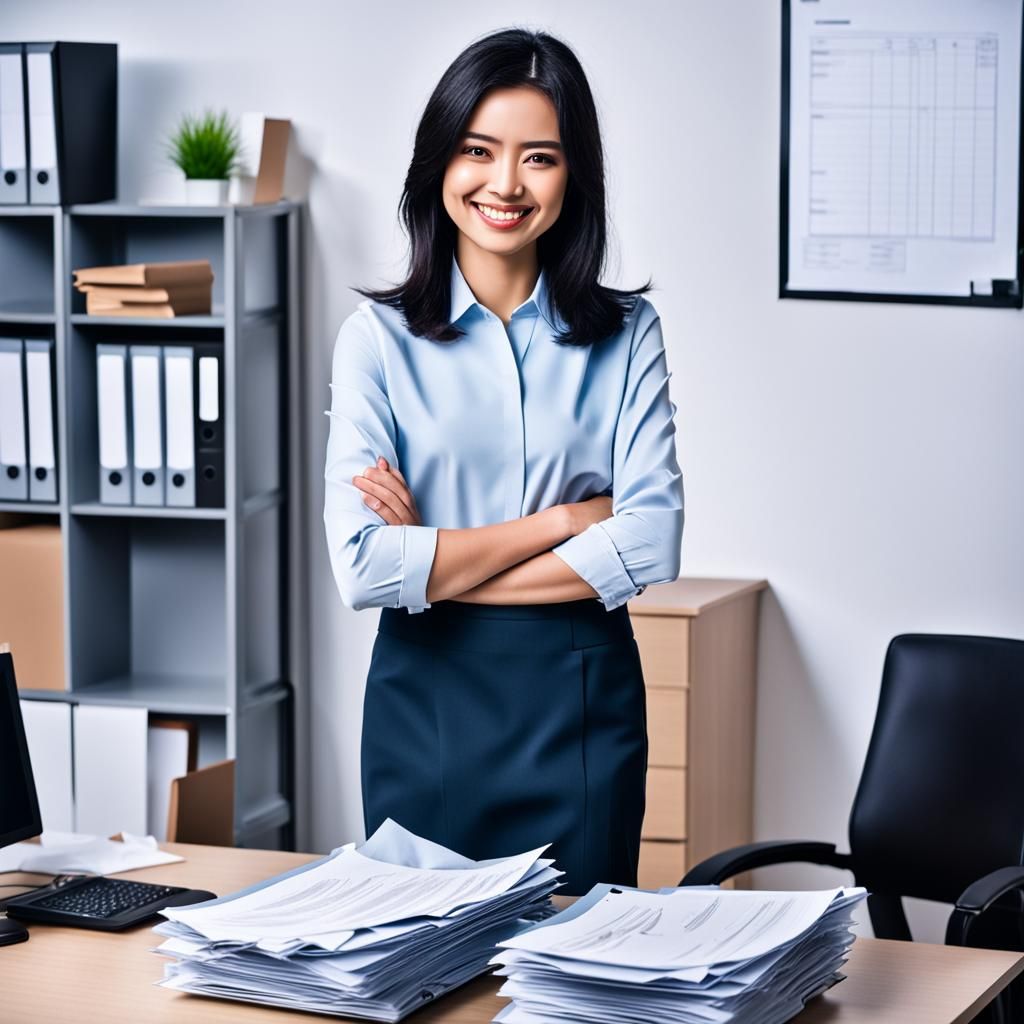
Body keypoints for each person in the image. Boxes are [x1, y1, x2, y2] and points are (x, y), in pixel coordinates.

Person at [324, 27, 684, 895]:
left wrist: (439, 561)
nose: (505, 184)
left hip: (582, 711)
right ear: (438, 164)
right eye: (478, 150)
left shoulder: (628, 337)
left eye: (540, 158)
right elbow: (365, 567)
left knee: (578, 978)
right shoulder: (375, 342)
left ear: (575, 177)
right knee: (422, 974)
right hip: (427, 705)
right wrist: (563, 522)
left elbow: (652, 543)